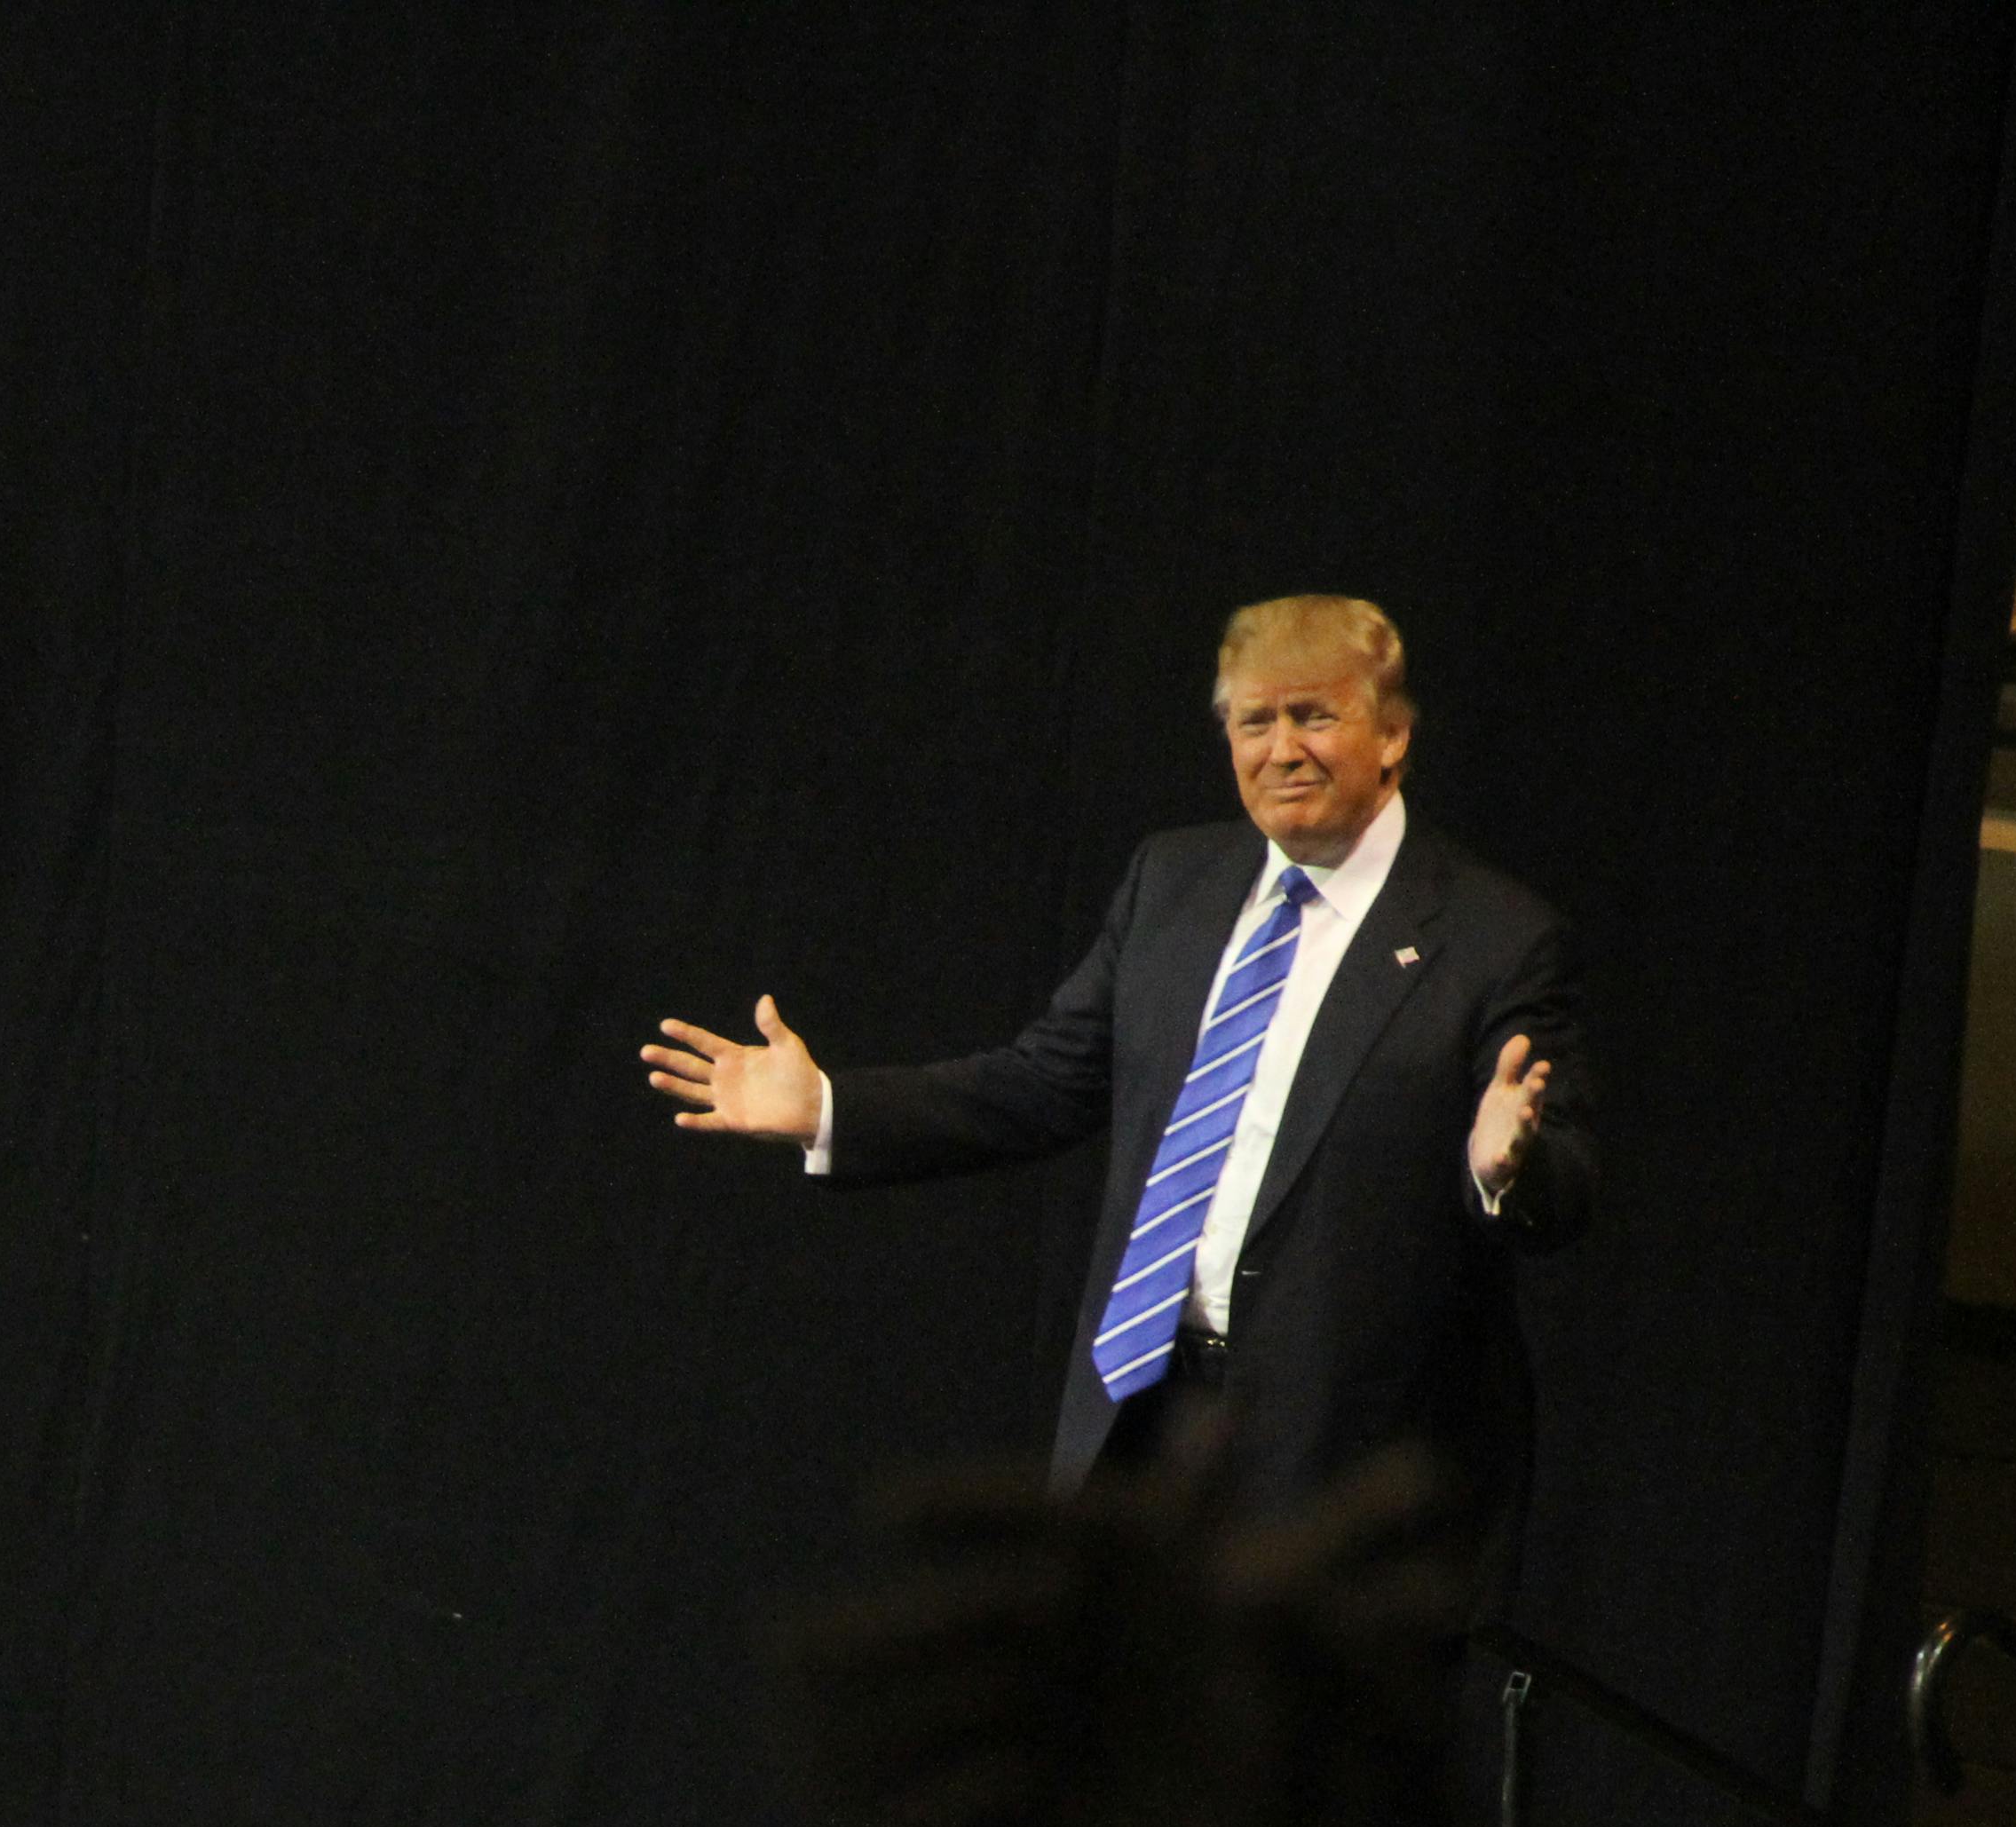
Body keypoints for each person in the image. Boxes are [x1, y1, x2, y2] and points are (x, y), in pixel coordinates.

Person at [641, 594, 1594, 1528]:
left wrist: (1502, 1170)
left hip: (1347, 1460)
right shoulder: (1172, 882)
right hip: (1140, 1416)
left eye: (1315, 717)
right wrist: (830, 1108)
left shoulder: (1495, 937)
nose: (1282, 749)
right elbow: (1043, 1082)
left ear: (1391, 734)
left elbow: (1566, 1181)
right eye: (1254, 721)